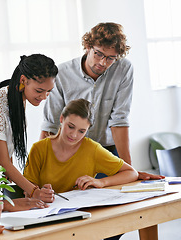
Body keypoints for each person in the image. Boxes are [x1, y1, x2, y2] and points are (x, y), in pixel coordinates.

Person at [40, 22, 163, 181]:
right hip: (71, 152)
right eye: (98, 54)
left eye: (111, 58)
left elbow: (119, 120)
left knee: (117, 199)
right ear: (87, 46)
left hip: (107, 152)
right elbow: (50, 125)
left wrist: (130, 172)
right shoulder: (62, 73)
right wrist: (41, 172)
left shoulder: (123, 69)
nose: (103, 63)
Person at [0, 54, 58, 203]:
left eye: (49, 91)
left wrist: (25, 187)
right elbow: (3, 161)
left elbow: (7, 145)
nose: (44, 97)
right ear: (23, 81)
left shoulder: (18, 98)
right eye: (39, 91)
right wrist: (34, 191)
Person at [25, 99, 138, 196]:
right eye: (70, 127)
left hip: (82, 212)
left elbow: (131, 173)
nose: (74, 135)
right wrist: (39, 193)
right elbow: (26, 187)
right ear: (61, 119)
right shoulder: (39, 148)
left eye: (81, 131)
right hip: (46, 212)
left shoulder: (92, 149)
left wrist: (101, 182)